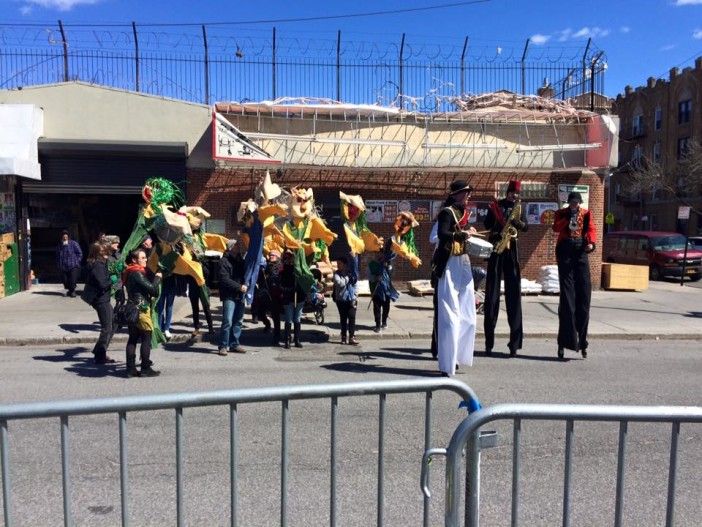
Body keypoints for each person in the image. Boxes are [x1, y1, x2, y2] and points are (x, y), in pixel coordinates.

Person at [430, 180, 477, 376]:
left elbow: (460, 233)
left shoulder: (462, 213)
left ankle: (457, 356)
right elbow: (442, 233)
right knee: (450, 315)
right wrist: (461, 235)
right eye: (465, 193)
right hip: (448, 264)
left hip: (463, 262)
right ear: (456, 194)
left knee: (468, 314)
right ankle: (447, 364)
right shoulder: (447, 213)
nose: (468, 196)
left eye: (468, 193)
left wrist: (470, 233)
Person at [483, 180, 529, 356]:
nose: (514, 195)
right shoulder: (495, 206)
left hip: (512, 251)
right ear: (507, 192)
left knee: (514, 297)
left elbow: (526, 227)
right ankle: (489, 343)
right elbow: (486, 225)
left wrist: (518, 223)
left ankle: (514, 344)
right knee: (492, 297)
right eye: (511, 192)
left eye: (517, 193)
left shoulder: (519, 208)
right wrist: (494, 222)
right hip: (496, 249)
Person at [553, 191, 596, 359]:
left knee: (584, 298)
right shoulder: (561, 213)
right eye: (572, 202)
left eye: (576, 203)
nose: (574, 205)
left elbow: (591, 230)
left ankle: (582, 341)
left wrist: (591, 244)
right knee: (567, 301)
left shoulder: (586, 214)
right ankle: (564, 342)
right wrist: (567, 217)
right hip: (565, 251)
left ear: (580, 202)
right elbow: (556, 228)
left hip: (580, 252)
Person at [123, 249, 162, 377]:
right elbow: (153, 290)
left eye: (146, 257)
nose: (146, 260)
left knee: (133, 338)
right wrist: (157, 278)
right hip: (141, 309)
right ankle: (145, 368)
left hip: (131, 307)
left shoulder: (130, 271)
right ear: (135, 260)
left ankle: (130, 369)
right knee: (146, 338)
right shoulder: (137, 273)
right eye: (143, 258)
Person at [82, 242, 117, 364]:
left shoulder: (100, 263)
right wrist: (112, 280)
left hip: (103, 298)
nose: (107, 254)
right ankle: (100, 355)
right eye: (104, 252)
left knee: (114, 323)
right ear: (98, 254)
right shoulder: (97, 265)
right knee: (107, 327)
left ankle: (99, 351)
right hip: (101, 300)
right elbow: (102, 283)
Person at [218, 239, 248, 356]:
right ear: (230, 248)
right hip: (229, 295)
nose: (238, 246)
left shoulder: (240, 260)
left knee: (238, 321)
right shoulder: (223, 261)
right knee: (227, 321)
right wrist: (239, 287)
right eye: (236, 245)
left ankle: (234, 344)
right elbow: (224, 279)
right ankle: (223, 346)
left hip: (239, 295)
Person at [368, 244, 399, 332]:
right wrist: (375, 278)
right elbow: (369, 276)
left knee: (386, 307)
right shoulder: (372, 264)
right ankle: (377, 325)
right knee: (377, 308)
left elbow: (391, 274)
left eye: (380, 253)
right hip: (376, 290)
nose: (378, 255)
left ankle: (384, 322)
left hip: (386, 289)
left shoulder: (387, 263)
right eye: (376, 253)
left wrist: (388, 267)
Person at [280, 250, 306, 349]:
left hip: (299, 298)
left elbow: (305, 282)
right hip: (288, 298)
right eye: (288, 258)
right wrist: (289, 290)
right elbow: (280, 285)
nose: (290, 260)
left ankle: (297, 339)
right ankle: (287, 340)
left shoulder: (300, 269)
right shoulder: (283, 270)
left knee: (297, 319)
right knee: (288, 319)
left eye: (291, 258)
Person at [333, 257, 359, 345]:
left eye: (339, 264)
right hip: (341, 300)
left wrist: (355, 296)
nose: (338, 265)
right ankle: (343, 337)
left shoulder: (351, 273)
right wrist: (347, 278)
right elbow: (340, 283)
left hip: (351, 299)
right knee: (343, 318)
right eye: (337, 264)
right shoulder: (336, 274)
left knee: (352, 318)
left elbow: (355, 285)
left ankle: (352, 337)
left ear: (344, 264)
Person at [264, 250, 284, 345]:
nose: (270, 256)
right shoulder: (269, 265)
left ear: (277, 256)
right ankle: (277, 336)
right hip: (271, 294)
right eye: (269, 255)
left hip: (279, 294)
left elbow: (277, 278)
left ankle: (281, 336)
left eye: (272, 255)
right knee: (275, 316)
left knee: (280, 316)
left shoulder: (280, 266)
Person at [56, 230, 82, 297]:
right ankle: (70, 290)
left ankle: (73, 291)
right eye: (63, 237)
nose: (65, 238)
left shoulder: (73, 243)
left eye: (66, 237)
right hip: (63, 266)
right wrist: (59, 264)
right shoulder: (60, 245)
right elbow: (58, 255)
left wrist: (77, 261)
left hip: (73, 265)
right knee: (65, 280)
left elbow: (79, 253)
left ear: (68, 237)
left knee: (72, 279)